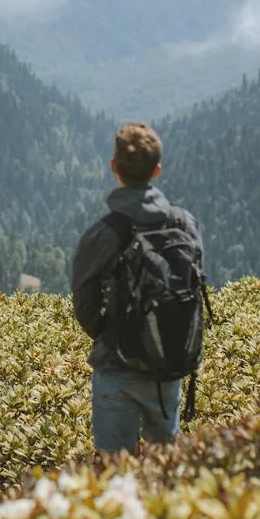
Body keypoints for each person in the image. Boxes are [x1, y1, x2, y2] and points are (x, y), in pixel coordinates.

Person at [70, 121, 205, 455]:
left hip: (117, 367)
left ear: (113, 167)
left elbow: (84, 304)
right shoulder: (183, 223)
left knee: (115, 476)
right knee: (164, 471)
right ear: (156, 170)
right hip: (168, 365)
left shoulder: (102, 234)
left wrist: (113, 335)